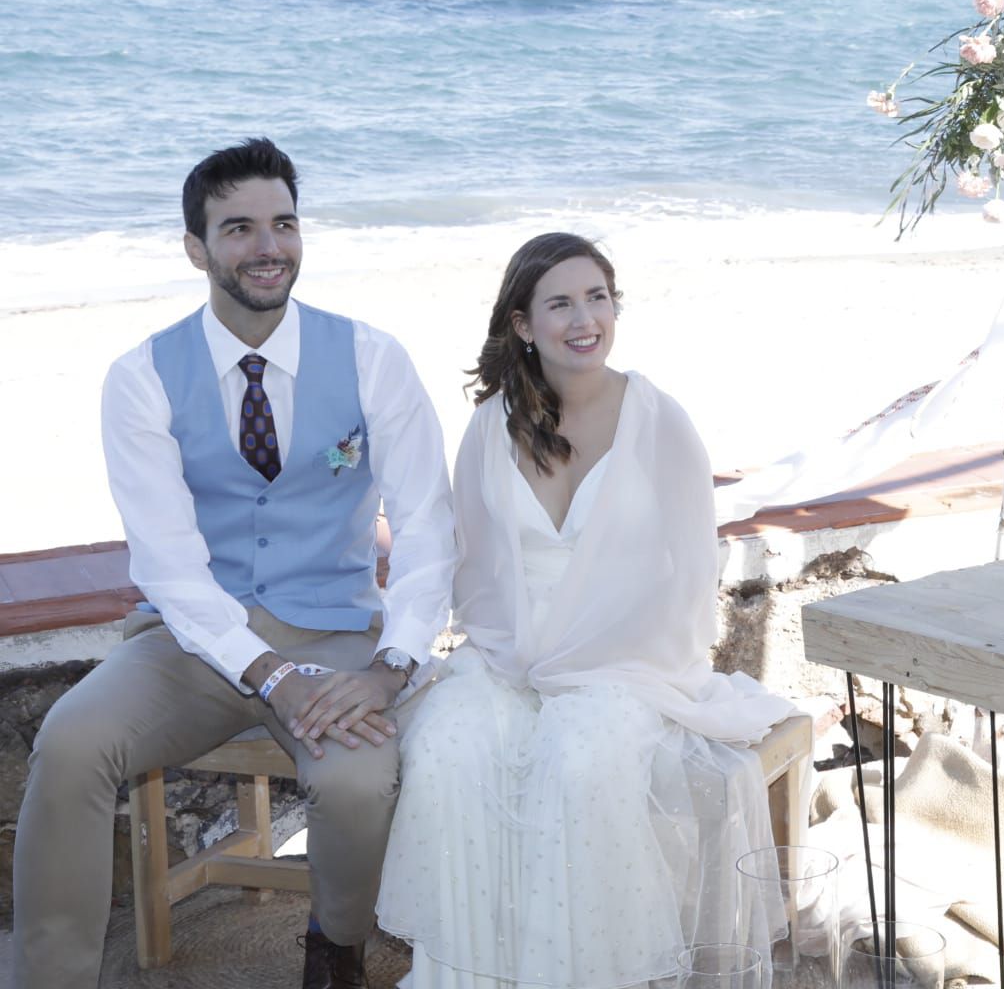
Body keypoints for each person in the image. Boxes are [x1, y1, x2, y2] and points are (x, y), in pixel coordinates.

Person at [14, 138, 457, 989]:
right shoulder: (140, 376)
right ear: (197, 248)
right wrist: (268, 675)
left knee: (359, 782)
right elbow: (170, 567)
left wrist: (394, 665)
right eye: (240, 227)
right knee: (71, 741)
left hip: (334, 634)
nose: (268, 247)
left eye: (284, 224)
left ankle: (335, 951)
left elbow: (429, 524)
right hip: (198, 641)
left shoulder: (372, 357)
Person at [378, 232, 794, 988]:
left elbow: (692, 572)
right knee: (446, 750)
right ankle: (471, 975)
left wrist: (618, 658)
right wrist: (515, 658)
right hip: (511, 658)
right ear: (523, 325)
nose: (585, 318)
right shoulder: (489, 426)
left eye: (598, 298)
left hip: (625, 659)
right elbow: (471, 565)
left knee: (578, 762)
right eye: (560, 302)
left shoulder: (658, 418)